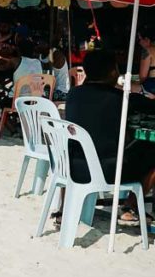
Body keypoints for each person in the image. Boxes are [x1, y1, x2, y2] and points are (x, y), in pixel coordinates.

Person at [65, 50, 155, 223]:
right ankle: (132, 205)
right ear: (112, 72)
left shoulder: (74, 94)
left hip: (72, 166)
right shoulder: (119, 99)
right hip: (105, 169)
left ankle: (130, 205)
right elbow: (148, 106)